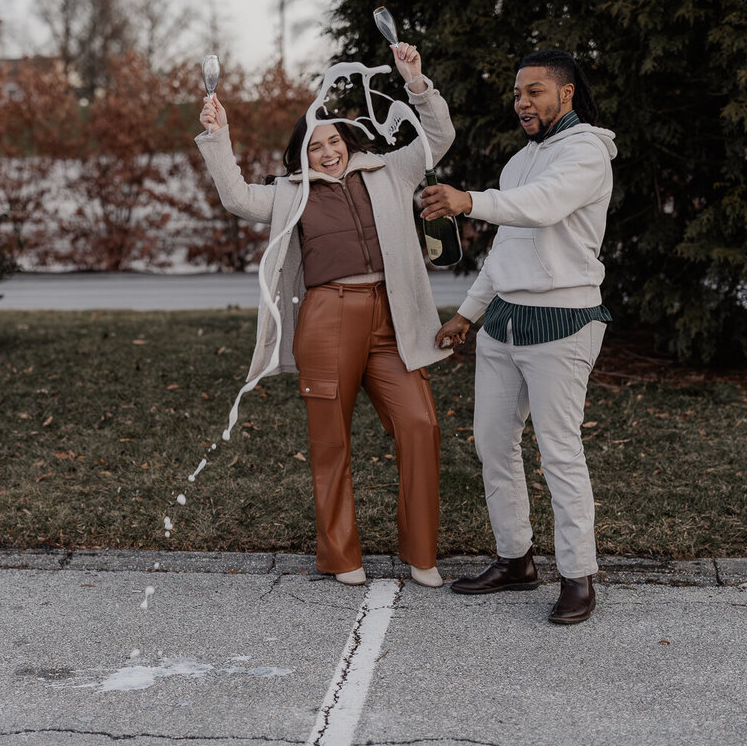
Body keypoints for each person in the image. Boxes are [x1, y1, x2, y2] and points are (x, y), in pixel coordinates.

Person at [196, 43, 454, 588]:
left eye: (334, 140)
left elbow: (437, 138)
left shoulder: (390, 172)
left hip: (392, 319)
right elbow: (238, 197)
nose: (328, 152)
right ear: (302, 155)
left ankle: (421, 552)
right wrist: (218, 136)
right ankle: (341, 556)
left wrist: (416, 83)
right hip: (327, 319)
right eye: (316, 146)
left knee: (420, 425)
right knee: (331, 442)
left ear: (349, 142)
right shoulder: (291, 194)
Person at [421, 49, 617, 624]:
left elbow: (543, 207)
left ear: (566, 94)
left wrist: (470, 201)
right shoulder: (517, 162)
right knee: (492, 444)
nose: (523, 103)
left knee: (559, 451)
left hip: (564, 322)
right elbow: (508, 245)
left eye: (534, 91)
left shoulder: (586, 153)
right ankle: (516, 560)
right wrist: (468, 314)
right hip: (504, 323)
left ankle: (579, 576)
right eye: (517, 94)